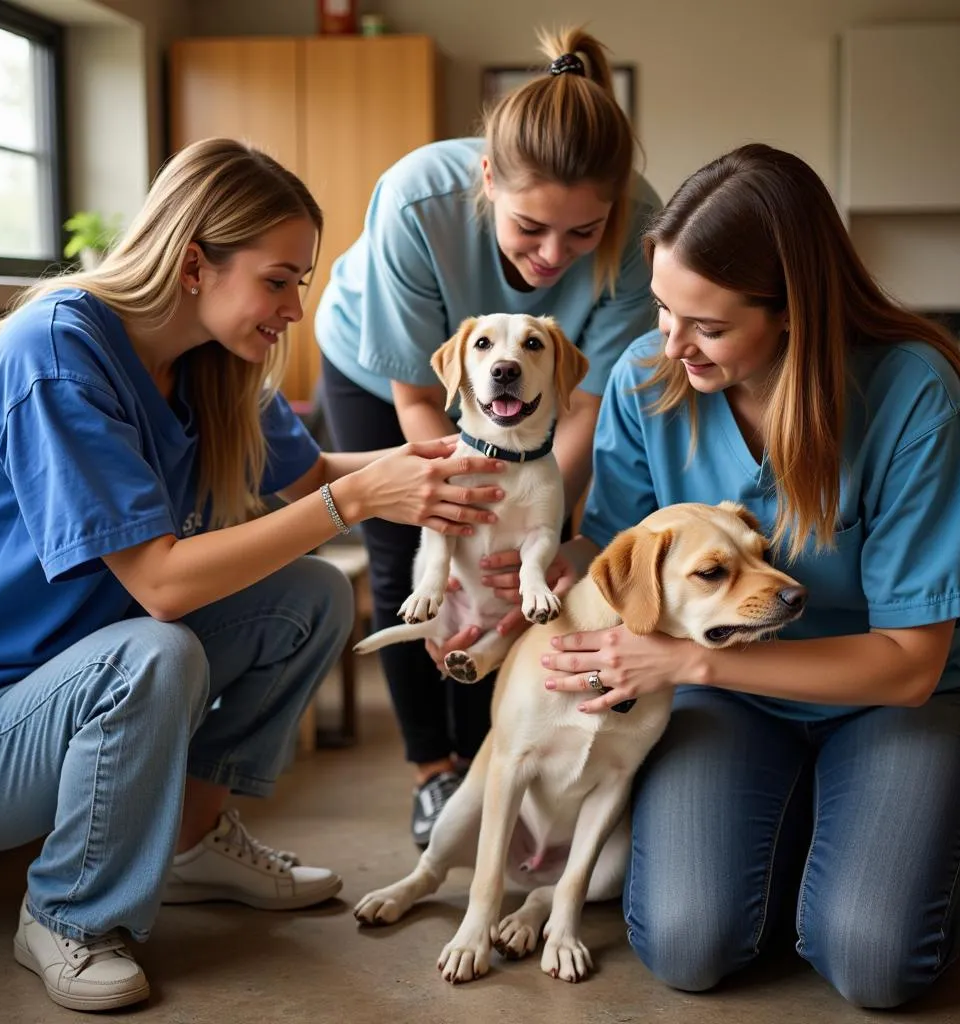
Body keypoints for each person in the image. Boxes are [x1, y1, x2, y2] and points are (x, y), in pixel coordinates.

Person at [0, 138, 508, 1013]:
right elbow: (162, 584)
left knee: (310, 597)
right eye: (279, 279)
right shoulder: (56, 352)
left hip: (81, 674)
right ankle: (67, 916)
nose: (295, 308)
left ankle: (189, 846)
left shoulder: (212, 364)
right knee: (156, 652)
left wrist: (437, 465)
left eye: (300, 282)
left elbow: (310, 482)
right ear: (194, 264)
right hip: (2, 722)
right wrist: (361, 503)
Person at [537, 143, 960, 1009]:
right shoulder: (649, 378)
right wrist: (521, 581)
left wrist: (692, 662)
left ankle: (933, 868)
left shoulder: (910, 395)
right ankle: (819, 841)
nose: (671, 344)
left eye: (707, 327)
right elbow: (614, 562)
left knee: (872, 957)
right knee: (689, 943)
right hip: (729, 701)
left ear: (792, 310)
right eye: (663, 311)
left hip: (901, 696)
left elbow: (910, 663)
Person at [314, 26, 661, 847]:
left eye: (583, 234)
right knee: (416, 551)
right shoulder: (414, 198)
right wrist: (460, 503)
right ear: (485, 182)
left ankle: (485, 756)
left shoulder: (641, 228)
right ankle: (433, 772)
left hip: (543, 402)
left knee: (507, 569)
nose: (554, 256)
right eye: (532, 228)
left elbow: (584, 408)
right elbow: (416, 396)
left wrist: (532, 508)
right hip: (388, 375)